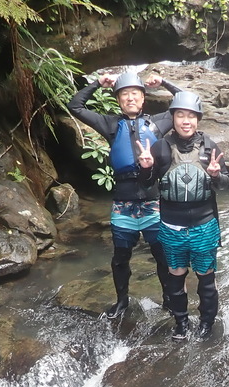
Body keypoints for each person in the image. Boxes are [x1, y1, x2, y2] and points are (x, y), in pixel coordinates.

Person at [68, 70, 182, 318]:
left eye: (135, 94)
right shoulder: (110, 124)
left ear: (143, 98)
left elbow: (186, 103)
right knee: (120, 257)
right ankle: (122, 301)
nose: (130, 98)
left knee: (162, 255)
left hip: (153, 202)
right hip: (123, 204)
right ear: (118, 100)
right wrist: (97, 83)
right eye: (125, 94)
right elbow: (75, 106)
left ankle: (168, 299)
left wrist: (163, 82)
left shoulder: (158, 123)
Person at [138, 91, 229, 341]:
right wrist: (145, 168)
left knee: (206, 278)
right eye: (180, 115)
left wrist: (215, 175)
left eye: (191, 116)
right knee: (176, 277)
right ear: (173, 118)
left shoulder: (210, 147)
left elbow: (224, 184)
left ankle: (206, 322)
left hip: (204, 225)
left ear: (198, 119)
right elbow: (146, 185)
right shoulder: (160, 147)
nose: (185, 121)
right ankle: (181, 322)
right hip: (171, 226)